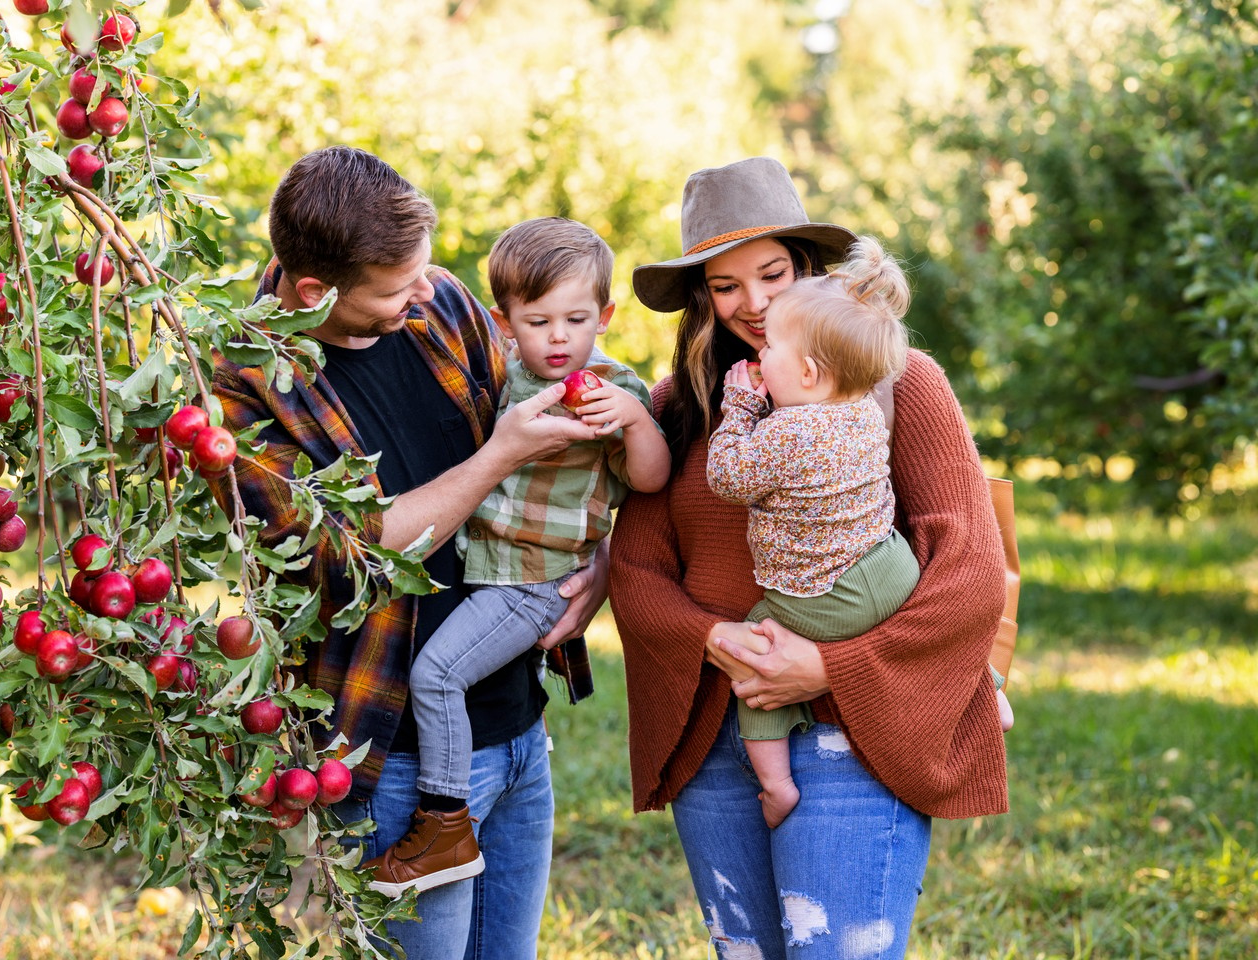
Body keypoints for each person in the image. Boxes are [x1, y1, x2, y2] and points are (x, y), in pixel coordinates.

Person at [209, 146, 608, 959]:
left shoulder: (441, 306)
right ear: (316, 291)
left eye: (424, 272)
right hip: (393, 759)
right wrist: (496, 454)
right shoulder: (237, 389)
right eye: (398, 288)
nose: (426, 292)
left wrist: (598, 566)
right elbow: (342, 550)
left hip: (516, 726)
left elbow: (561, 449)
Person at [610, 156, 1009, 959]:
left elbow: (968, 569)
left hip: (852, 729)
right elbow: (637, 572)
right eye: (725, 287)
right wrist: (713, 640)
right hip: (722, 732)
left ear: (808, 267)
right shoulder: (680, 408)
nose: (753, 304)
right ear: (702, 299)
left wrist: (832, 666)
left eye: (772, 273)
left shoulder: (897, 381)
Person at [362, 217, 670, 897]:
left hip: (535, 581)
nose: (559, 338)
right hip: (492, 572)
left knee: (436, 674)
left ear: (606, 316)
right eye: (539, 321)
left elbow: (648, 481)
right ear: (503, 321)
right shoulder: (500, 377)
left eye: (576, 319)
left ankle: (444, 823)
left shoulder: (610, 389)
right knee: (446, 667)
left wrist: (636, 420)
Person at [705, 235, 920, 831]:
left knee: (753, 658)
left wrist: (740, 410)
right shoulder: (864, 409)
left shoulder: (786, 430)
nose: (760, 340)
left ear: (804, 370)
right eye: (725, 286)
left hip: (824, 599)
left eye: (772, 345)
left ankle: (776, 785)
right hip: (890, 567)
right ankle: (987, 689)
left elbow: (727, 478)